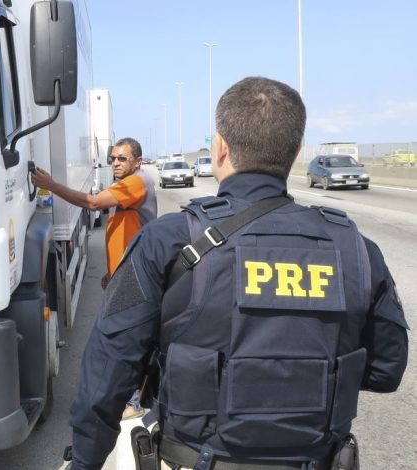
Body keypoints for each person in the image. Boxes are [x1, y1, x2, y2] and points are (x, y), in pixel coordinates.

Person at [67, 76, 409, 470]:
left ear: (221, 148)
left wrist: (85, 463)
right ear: (295, 152)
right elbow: (386, 370)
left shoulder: (170, 241)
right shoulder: (355, 249)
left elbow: (108, 372)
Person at [31, 137, 158, 285]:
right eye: (113, 159)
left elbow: (93, 203)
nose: (115, 163)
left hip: (133, 274)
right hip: (125, 272)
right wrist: (111, 272)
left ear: (138, 161)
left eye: (122, 159)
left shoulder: (135, 182)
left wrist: (51, 185)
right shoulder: (127, 181)